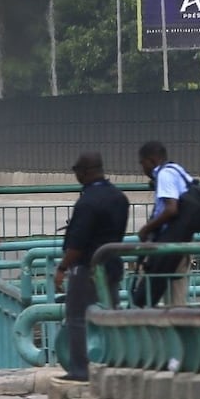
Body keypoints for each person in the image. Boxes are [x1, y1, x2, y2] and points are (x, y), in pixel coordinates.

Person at [53, 152, 130, 383]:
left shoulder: (87, 202)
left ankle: (80, 370)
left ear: (85, 172)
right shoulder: (119, 198)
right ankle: (116, 363)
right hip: (112, 264)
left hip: (87, 268)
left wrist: (62, 268)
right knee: (110, 315)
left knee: (76, 317)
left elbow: (77, 244)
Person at [131, 141, 198, 308]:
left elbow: (171, 209)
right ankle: (176, 328)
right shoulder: (178, 170)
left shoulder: (164, 175)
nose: (142, 168)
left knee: (145, 291)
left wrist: (146, 229)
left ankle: (145, 325)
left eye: (142, 163)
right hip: (183, 241)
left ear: (151, 160)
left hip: (168, 243)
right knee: (176, 296)